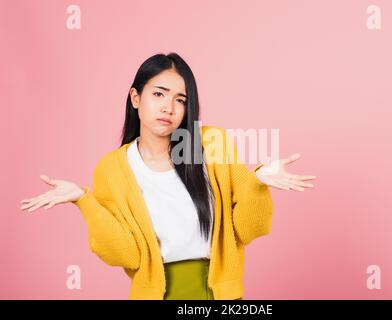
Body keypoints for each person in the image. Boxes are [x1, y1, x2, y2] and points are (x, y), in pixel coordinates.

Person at [19, 52, 317, 300]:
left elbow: (249, 229)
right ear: (136, 98)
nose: (168, 107)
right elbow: (126, 255)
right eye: (159, 94)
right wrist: (83, 200)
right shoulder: (112, 169)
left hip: (220, 295)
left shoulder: (211, 144)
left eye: (180, 99)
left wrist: (257, 182)